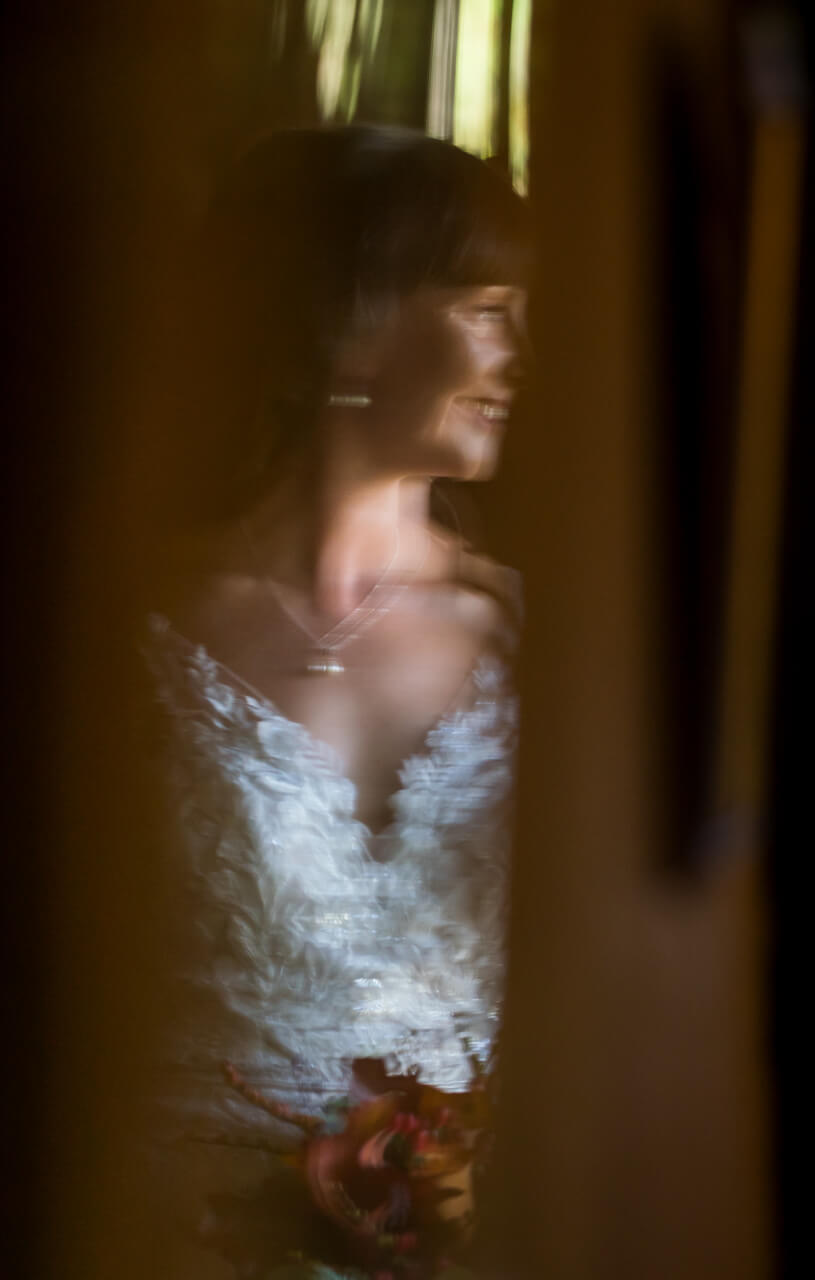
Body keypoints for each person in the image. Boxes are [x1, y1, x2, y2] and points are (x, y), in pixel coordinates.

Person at [141, 125, 531, 1271]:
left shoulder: (531, 639)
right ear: (346, 313)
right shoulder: (132, 627)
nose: (518, 353)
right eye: (483, 307)